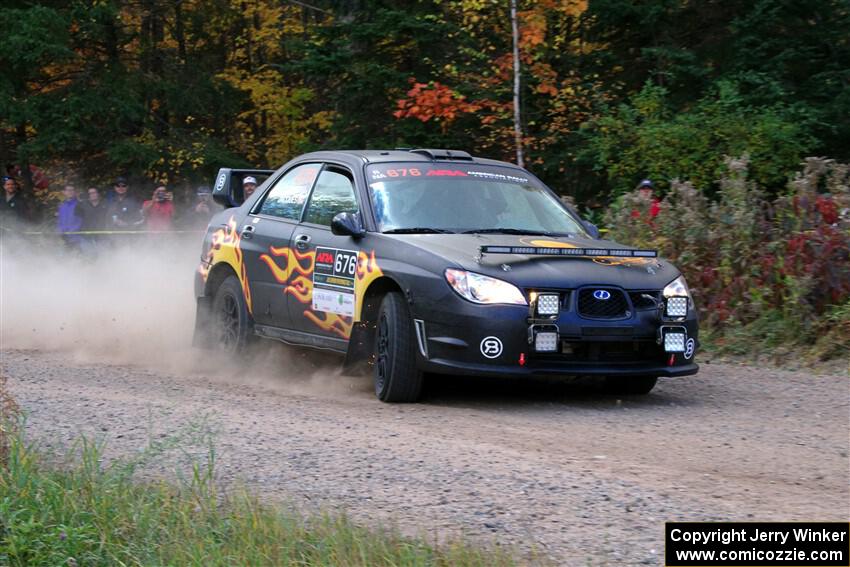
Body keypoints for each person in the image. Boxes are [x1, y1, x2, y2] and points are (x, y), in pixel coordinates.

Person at [57, 184, 84, 249]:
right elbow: (60, 220)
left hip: (76, 238)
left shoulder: (79, 204)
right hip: (63, 238)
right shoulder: (61, 205)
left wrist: (72, 231)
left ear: (74, 192)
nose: (70, 192)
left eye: (72, 190)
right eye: (68, 190)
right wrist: (59, 230)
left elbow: (80, 220)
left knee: (76, 258)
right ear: (64, 192)